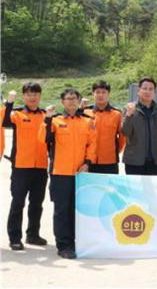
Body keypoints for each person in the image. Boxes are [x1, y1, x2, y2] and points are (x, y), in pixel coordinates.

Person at [40, 88, 97, 259]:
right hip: (60, 173)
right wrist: (47, 119)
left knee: (77, 209)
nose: (71, 101)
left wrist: (87, 163)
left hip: (80, 174)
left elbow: (92, 144)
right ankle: (64, 245)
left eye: (74, 98)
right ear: (62, 102)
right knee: (62, 210)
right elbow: (43, 139)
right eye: (68, 98)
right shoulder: (55, 120)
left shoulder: (87, 121)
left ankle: (76, 242)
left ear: (79, 101)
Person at [2, 84, 49, 251]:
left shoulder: (46, 115)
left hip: (41, 166)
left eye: (35, 94)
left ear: (40, 96)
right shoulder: (17, 114)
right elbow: (4, 122)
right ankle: (15, 238)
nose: (32, 97)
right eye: (29, 94)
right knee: (18, 202)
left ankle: (33, 235)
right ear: (24, 96)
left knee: (37, 203)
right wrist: (9, 102)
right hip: (21, 166)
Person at [121, 77, 157, 175]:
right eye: (144, 88)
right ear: (138, 91)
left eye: (151, 89)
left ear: (155, 92)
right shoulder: (129, 108)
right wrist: (129, 116)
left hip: (155, 162)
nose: (147, 91)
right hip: (134, 162)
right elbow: (125, 132)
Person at [83, 80, 125, 174]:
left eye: (103, 92)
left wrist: (115, 151)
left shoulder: (117, 114)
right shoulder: (85, 112)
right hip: (88, 161)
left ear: (108, 94)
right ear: (93, 94)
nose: (100, 95)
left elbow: (122, 137)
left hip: (109, 161)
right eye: (97, 92)